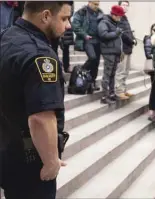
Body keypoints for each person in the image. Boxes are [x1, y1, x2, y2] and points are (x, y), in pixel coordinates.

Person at [0, 1, 72, 198]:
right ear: (46, 16)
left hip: (8, 149)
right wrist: (51, 162)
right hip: (29, 159)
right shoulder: (40, 56)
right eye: (64, 18)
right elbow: (40, 118)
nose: (68, 25)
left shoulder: (7, 36)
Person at [72, 1, 104, 91]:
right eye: (95, 4)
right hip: (87, 39)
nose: (96, 6)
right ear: (89, 2)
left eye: (98, 4)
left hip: (98, 40)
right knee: (92, 58)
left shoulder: (100, 13)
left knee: (96, 62)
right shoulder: (81, 12)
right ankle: (82, 69)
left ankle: (92, 82)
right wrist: (84, 35)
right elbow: (75, 26)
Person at [98, 5, 125, 104]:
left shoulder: (114, 23)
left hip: (115, 52)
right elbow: (103, 35)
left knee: (112, 75)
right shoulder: (104, 22)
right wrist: (116, 33)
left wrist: (120, 51)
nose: (120, 18)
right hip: (108, 52)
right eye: (119, 16)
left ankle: (112, 94)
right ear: (114, 15)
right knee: (107, 74)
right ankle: (105, 96)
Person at [115, 0, 137, 100]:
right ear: (119, 6)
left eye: (127, 5)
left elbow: (128, 32)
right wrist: (131, 40)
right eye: (123, 5)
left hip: (128, 48)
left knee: (126, 71)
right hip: (122, 48)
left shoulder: (125, 18)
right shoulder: (118, 18)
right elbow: (122, 33)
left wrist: (133, 39)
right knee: (121, 70)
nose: (125, 7)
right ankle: (119, 91)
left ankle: (123, 89)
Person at [143, 23, 155, 121]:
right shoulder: (148, 39)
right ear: (151, 30)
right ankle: (152, 111)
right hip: (153, 69)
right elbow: (148, 53)